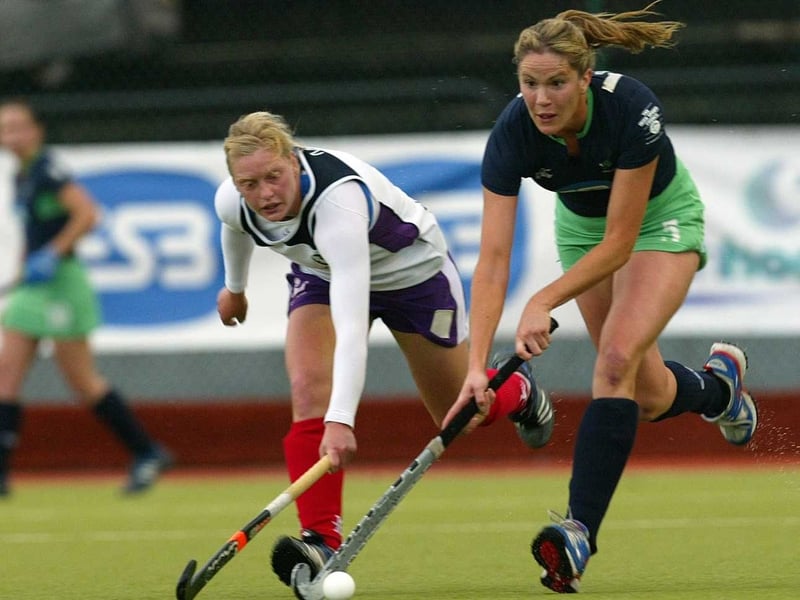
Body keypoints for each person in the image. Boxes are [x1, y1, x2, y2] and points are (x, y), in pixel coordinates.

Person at [446, 3, 758, 594]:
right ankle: (719, 390)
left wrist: (544, 299)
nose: (542, 99)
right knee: (642, 388)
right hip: (582, 228)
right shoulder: (511, 133)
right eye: (530, 84)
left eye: (557, 83)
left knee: (613, 361)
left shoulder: (630, 107)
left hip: (658, 219)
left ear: (585, 79)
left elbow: (622, 240)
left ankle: (578, 532)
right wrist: (474, 367)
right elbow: (491, 259)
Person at [214, 110, 556, 587]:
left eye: (274, 176)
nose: (265, 194)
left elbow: (353, 328)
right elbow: (236, 229)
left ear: (294, 162)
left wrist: (342, 421)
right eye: (250, 184)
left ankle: (516, 391)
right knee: (308, 387)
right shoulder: (233, 200)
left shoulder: (339, 207)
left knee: (459, 416)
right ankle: (319, 540)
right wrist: (235, 287)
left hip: (413, 276)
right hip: (323, 273)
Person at [0, 99, 174, 496]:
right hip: (35, 287)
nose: (10, 135)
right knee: (5, 376)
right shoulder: (21, 176)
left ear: (36, 131)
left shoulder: (48, 169)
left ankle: (147, 451)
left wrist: (53, 253)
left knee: (82, 380)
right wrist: (25, 265)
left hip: (64, 283)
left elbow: (87, 214)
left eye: (17, 126)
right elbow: (34, 231)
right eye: (4, 128)